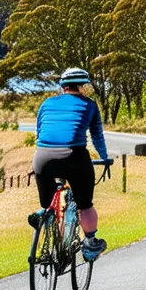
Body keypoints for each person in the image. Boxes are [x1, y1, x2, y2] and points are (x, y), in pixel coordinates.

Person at [30, 67, 111, 260]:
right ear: (83, 86)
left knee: (48, 202)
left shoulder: (47, 103)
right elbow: (97, 136)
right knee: (85, 205)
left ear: (62, 86)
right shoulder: (89, 105)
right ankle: (90, 243)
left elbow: (40, 133)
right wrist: (105, 158)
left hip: (42, 158)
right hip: (74, 157)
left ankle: (44, 215)